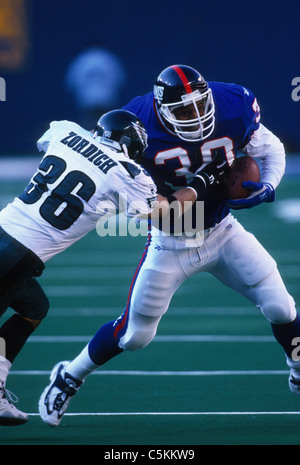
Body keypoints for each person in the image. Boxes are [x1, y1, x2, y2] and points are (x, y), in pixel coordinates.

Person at [39, 64, 300, 427]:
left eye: (200, 105)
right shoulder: (136, 122)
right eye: (182, 110)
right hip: (171, 240)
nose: (195, 116)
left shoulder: (233, 104)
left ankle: (297, 365)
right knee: (135, 335)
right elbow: (145, 203)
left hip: (223, 230)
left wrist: (267, 187)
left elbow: (271, 148)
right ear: (161, 109)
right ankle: (69, 374)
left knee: (281, 307)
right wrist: (192, 189)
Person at [1, 108, 209, 427]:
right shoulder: (127, 173)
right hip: (19, 254)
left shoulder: (65, 131)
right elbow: (161, 215)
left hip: (7, 233)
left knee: (34, 306)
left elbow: (49, 146)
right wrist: (199, 186)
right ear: (131, 145)